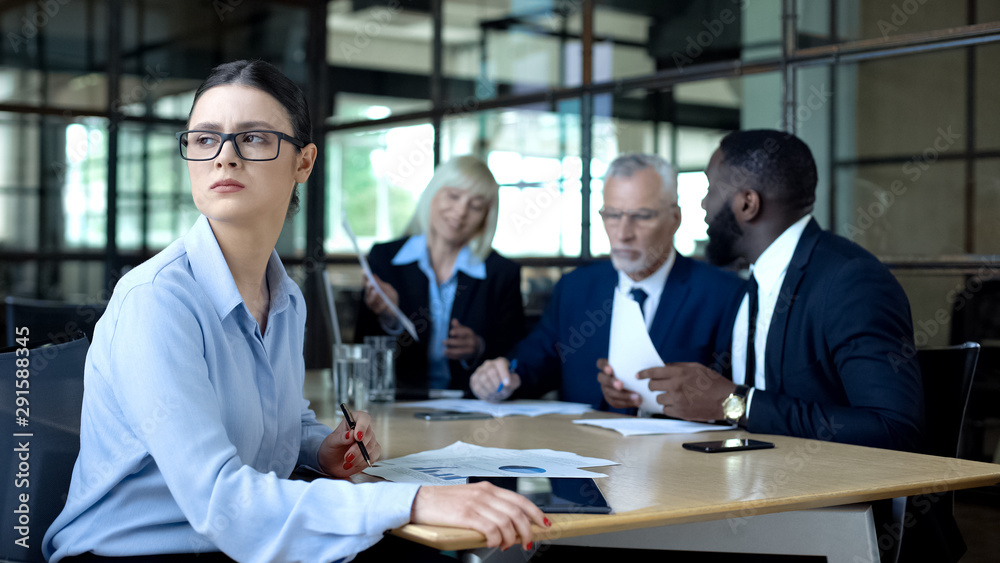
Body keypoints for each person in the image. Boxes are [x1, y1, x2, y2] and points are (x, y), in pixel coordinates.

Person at [43, 60, 547, 563]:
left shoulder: (285, 297)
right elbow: (220, 498)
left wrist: (317, 447)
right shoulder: (157, 301)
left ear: (303, 163)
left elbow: (280, 416)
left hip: (237, 542)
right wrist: (417, 498)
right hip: (140, 554)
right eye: (204, 139)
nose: (224, 158)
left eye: (254, 139)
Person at [601, 130, 925, 451]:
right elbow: (732, 402)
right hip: (749, 483)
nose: (702, 204)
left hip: (825, 497)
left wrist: (736, 404)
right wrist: (651, 395)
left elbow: (894, 429)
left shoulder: (850, 281)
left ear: (747, 203)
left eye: (711, 190)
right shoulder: (754, 285)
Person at [469, 154, 745, 411]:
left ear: (675, 219)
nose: (623, 234)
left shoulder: (724, 295)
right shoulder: (575, 289)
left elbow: (736, 398)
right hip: (581, 455)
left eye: (641, 216)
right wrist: (501, 374)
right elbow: (532, 364)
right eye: (612, 215)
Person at [355, 155, 524, 397]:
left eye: (475, 206)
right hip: (398, 403)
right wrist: (391, 318)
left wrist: (479, 348)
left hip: (470, 407)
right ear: (433, 194)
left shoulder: (501, 273)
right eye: (453, 196)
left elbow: (518, 355)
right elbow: (361, 349)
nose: (460, 211)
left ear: (487, 217)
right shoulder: (385, 259)